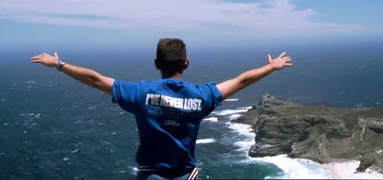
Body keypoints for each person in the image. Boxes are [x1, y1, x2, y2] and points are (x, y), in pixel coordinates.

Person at [30, 38, 292, 180]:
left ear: (157, 63)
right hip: (185, 176)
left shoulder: (141, 93)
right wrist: (271, 66)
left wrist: (59, 64)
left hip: (150, 175)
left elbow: (96, 79)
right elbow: (242, 81)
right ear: (186, 63)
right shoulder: (202, 97)